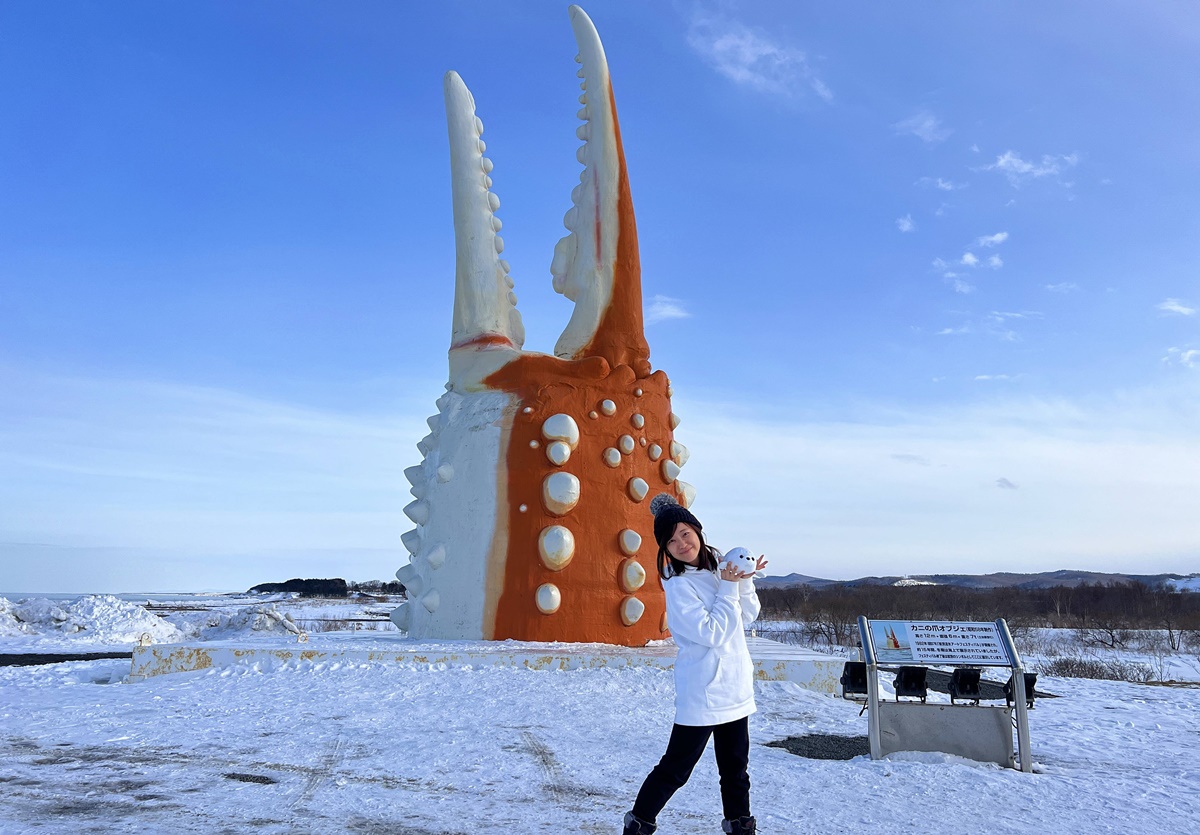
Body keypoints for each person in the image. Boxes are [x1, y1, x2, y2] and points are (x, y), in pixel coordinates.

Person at [623, 494, 768, 835]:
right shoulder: (679, 585)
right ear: (665, 548)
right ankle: (639, 824)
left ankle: (740, 825)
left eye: (685, 533)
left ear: (698, 531)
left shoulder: (720, 567)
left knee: (735, 769)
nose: (681, 544)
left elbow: (748, 615)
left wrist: (743, 579)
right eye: (671, 540)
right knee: (676, 769)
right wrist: (730, 588)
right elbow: (712, 633)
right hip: (703, 690)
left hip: (733, 684)